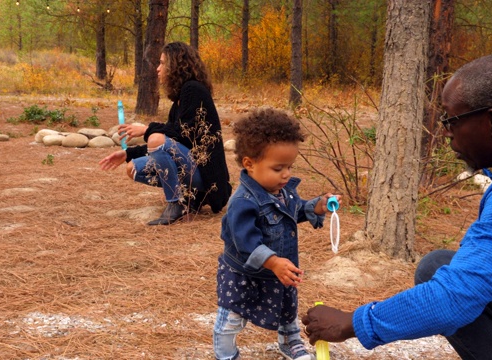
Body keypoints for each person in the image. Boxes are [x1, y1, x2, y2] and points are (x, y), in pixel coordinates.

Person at [302, 53, 492, 359]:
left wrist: (353, 322)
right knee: (438, 264)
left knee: (442, 275)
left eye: (451, 121)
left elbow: (454, 298)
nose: (446, 133)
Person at [213, 107, 341, 360]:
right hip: (245, 274)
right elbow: (245, 242)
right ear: (249, 164)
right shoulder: (243, 201)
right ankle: (225, 353)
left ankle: (290, 341)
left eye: (290, 166)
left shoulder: (282, 191)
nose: (286, 174)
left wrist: (317, 205)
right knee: (233, 316)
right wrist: (272, 262)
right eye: (278, 168)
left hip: (280, 269)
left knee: (287, 309)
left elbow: (293, 211)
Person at [99, 42, 231, 226]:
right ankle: (189, 197)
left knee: (155, 138)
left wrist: (146, 129)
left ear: (176, 66)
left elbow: (181, 136)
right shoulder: (179, 99)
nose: (158, 69)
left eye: (162, 63)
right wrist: (128, 154)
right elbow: (171, 142)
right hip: (192, 169)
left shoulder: (193, 90)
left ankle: (174, 202)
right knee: (133, 168)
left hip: (208, 178)